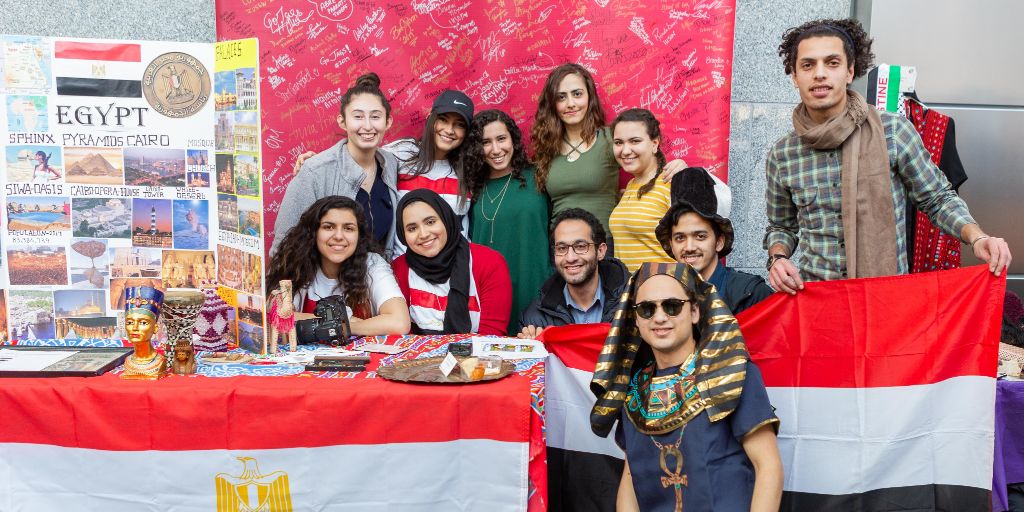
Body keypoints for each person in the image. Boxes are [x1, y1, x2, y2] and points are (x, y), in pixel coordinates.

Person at [765, 18, 1012, 294]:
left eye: (832, 63)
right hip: (818, 303)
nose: (820, 74)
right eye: (808, 65)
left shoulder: (892, 131)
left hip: (886, 300)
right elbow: (781, 226)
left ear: (850, 72)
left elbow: (937, 198)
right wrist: (778, 258)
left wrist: (977, 238)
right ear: (794, 76)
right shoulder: (783, 154)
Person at [590, 262, 783, 511]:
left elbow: (768, 466)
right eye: (647, 309)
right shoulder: (633, 389)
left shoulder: (729, 371)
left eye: (672, 306)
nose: (659, 317)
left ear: (694, 311)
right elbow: (630, 479)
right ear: (635, 319)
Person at [530, 64, 687, 241]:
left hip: (603, 243)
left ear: (590, 97)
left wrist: (680, 167)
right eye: (561, 97)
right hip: (561, 246)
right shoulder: (546, 148)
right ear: (552, 103)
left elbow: (647, 166)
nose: (570, 104)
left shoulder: (611, 139)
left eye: (577, 94)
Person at [273, 73, 400, 256]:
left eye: (375, 117)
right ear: (342, 121)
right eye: (357, 116)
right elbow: (284, 246)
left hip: (377, 277)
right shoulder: (314, 171)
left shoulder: (392, 164)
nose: (367, 126)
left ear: (387, 122)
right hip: (325, 280)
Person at [265, 195, 410, 336]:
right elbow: (279, 319)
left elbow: (399, 322)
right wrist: (342, 323)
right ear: (314, 232)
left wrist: (341, 326)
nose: (339, 236)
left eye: (348, 228)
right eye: (328, 227)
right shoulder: (296, 263)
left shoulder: (372, 264)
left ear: (358, 235)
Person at [465, 109, 552, 334]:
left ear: (513, 139)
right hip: (489, 296)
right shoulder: (471, 188)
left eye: (501, 139)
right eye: (486, 142)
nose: (496, 149)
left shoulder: (539, 176)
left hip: (536, 289)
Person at [392, 189, 511, 335]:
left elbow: (492, 336)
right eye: (412, 228)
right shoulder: (399, 269)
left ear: (446, 219)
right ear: (403, 235)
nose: (423, 234)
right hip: (419, 357)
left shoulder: (489, 263)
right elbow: (403, 337)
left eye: (430, 222)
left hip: (477, 356)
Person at [656, 167, 774, 314]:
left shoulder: (751, 294)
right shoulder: (662, 299)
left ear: (719, 242)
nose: (689, 247)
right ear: (671, 245)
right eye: (680, 238)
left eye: (700, 236)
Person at [518, 208, 630, 339]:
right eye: (561, 248)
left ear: (600, 251)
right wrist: (532, 349)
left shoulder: (632, 303)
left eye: (581, 246)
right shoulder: (535, 319)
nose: (570, 258)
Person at [608, 108, 676, 272]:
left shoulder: (671, 182)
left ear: (654, 143)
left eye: (635, 141)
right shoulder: (631, 186)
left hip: (662, 292)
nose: (625, 150)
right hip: (630, 293)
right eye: (619, 142)